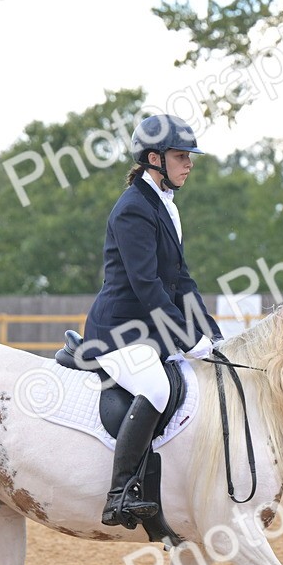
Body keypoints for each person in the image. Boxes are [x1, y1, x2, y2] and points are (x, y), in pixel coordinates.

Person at [82, 114, 222, 529]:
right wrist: (183, 337)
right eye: (181, 156)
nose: (189, 163)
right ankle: (120, 492)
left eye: (189, 156)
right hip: (118, 330)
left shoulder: (166, 206)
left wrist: (208, 331)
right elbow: (146, 285)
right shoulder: (132, 209)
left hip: (147, 329)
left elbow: (180, 279)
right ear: (153, 159)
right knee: (157, 387)